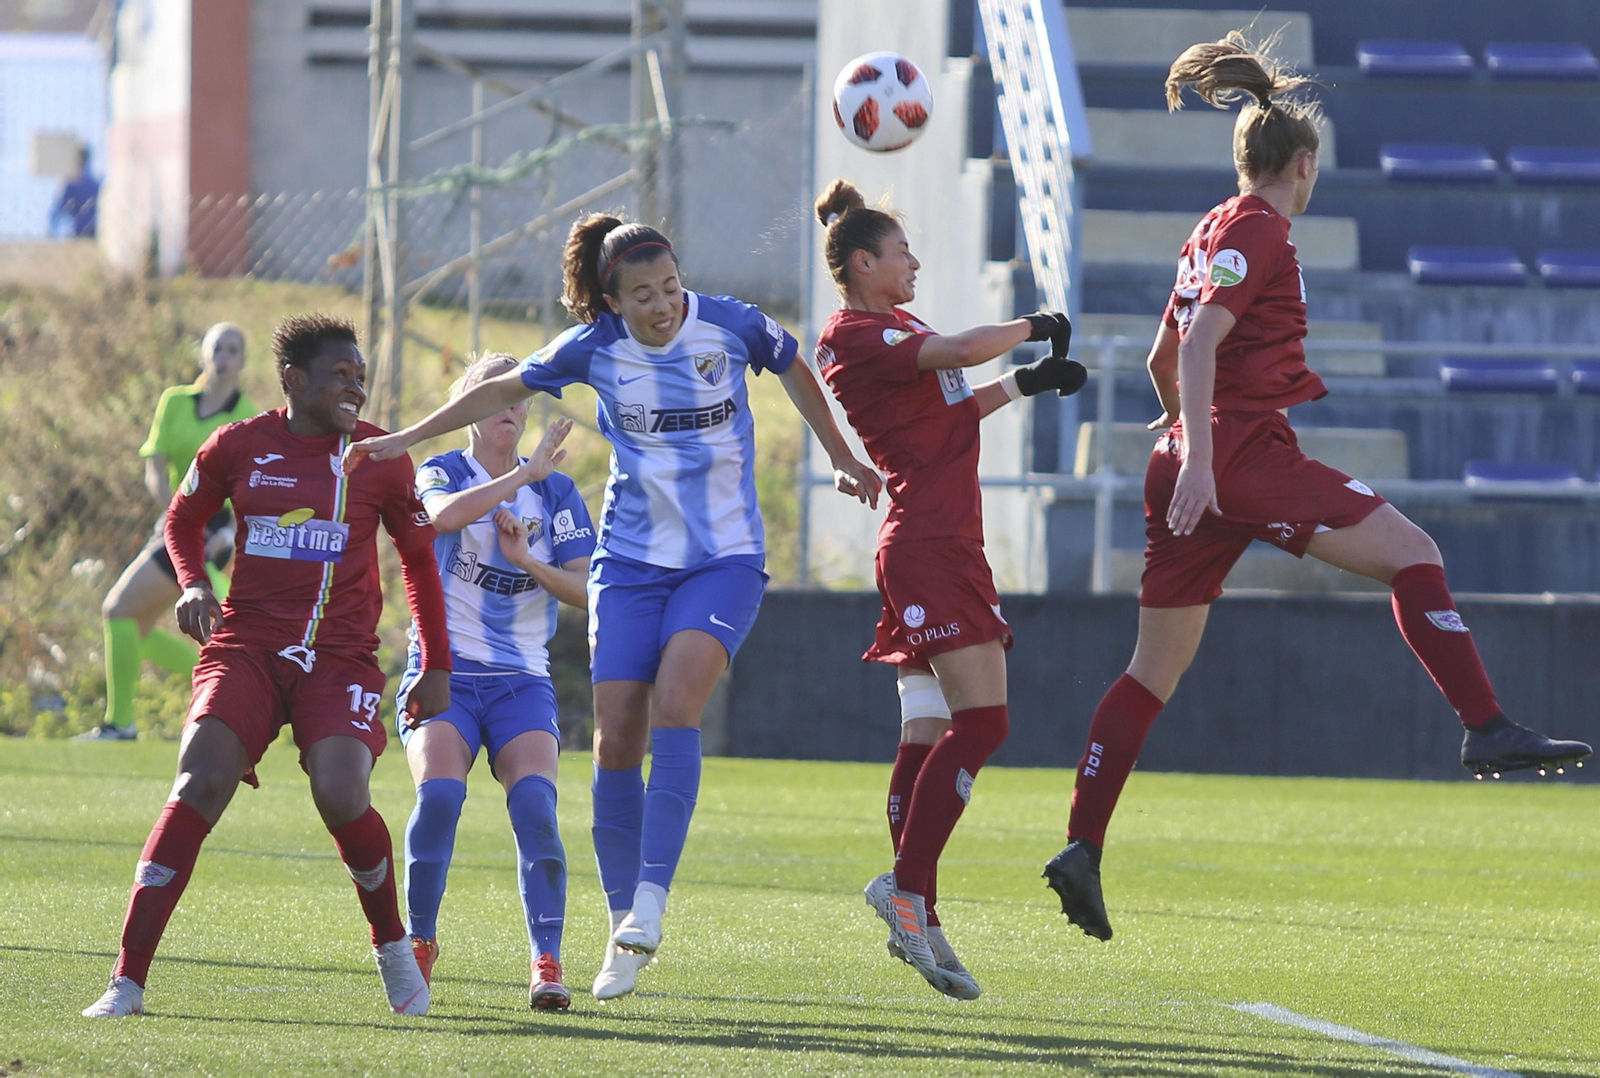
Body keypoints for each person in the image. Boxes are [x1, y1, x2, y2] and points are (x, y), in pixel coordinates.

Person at [1042, 32, 1593, 944]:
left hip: (1190, 459)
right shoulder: (1262, 228)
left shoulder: (1211, 226)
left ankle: (1082, 847)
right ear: (1302, 164)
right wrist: (1214, 460)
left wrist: (1182, 441)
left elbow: (1162, 355)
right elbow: (1207, 344)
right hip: (1239, 457)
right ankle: (1485, 723)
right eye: (1314, 168)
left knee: (1152, 671)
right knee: (1417, 554)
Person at [343, 212, 880, 1001]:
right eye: (643, 295)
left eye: (670, 287)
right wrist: (402, 439)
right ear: (611, 302)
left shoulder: (728, 325)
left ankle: (652, 900)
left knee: (676, 704)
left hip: (722, 561)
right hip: (628, 566)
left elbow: (796, 365)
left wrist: (839, 454)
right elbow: (498, 386)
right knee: (615, 741)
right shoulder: (593, 349)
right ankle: (622, 929)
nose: (664, 305)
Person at [82, 314, 452, 1019]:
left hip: (338, 657)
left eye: (361, 377)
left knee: (342, 796)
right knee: (198, 779)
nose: (355, 388)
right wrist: (192, 583)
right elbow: (181, 519)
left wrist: (435, 660)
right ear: (294, 379)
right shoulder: (240, 445)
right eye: (340, 375)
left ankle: (393, 948)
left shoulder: (381, 456)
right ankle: (126, 981)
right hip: (246, 647)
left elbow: (418, 559)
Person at [811, 179, 1086, 999]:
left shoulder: (899, 328)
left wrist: (1028, 383)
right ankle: (908, 887)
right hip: (931, 547)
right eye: (901, 253)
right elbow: (966, 353)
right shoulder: (854, 331)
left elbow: (955, 408)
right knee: (987, 721)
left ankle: (917, 907)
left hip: (936, 544)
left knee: (928, 736)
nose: (915, 262)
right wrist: (1033, 325)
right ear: (864, 263)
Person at [395, 353, 595, 1012]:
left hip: (519, 680)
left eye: (521, 398)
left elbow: (588, 590)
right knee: (441, 799)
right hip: (445, 674)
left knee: (536, 807)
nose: (511, 407)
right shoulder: (445, 469)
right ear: (469, 406)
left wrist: (527, 561)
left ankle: (546, 959)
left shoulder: (556, 493)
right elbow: (442, 518)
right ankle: (419, 943)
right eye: (497, 396)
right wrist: (520, 475)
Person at [81, 323, 257, 741]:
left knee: (120, 610)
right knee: (134, 623)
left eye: (234, 349)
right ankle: (229, 691)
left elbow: (251, 485)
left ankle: (123, 723)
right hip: (178, 521)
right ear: (203, 354)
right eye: (217, 347)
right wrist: (176, 514)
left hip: (215, 532)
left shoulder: (247, 414)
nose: (224, 356)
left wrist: (228, 530)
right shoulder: (175, 401)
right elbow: (155, 467)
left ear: (243, 361)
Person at [50, 146, 99, 238]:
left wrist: (52, 232)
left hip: (79, 231)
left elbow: (58, 210)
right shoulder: (96, 184)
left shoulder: (70, 184)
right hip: (94, 232)